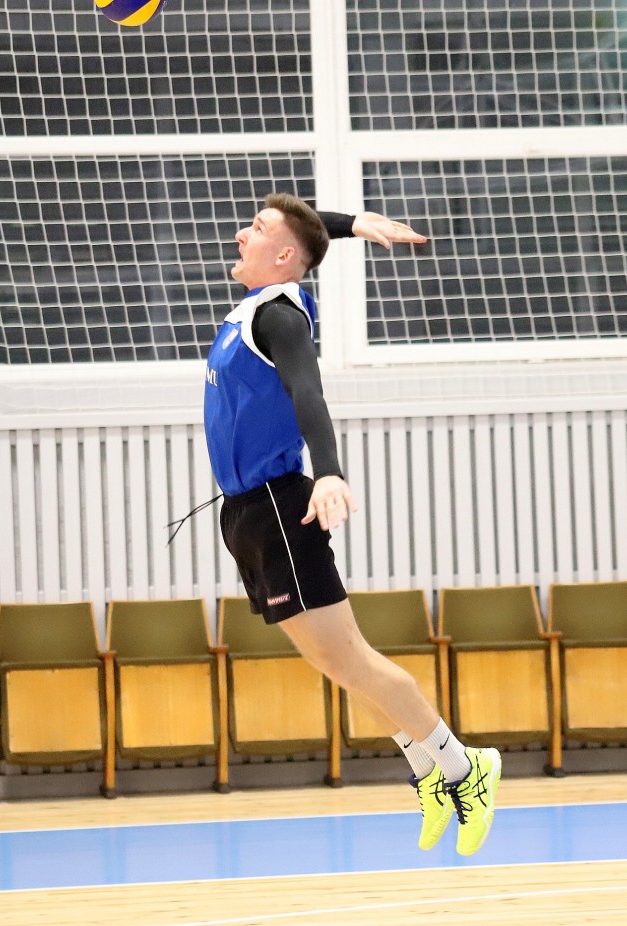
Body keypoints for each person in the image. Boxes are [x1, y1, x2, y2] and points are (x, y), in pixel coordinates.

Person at [202, 192, 501, 856]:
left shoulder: (280, 317)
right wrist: (352, 225)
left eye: (255, 228)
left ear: (284, 256)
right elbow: (300, 223)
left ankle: (464, 767)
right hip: (245, 512)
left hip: (282, 504)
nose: (240, 234)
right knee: (332, 662)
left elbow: (307, 392)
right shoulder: (257, 305)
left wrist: (329, 471)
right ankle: (427, 769)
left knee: (352, 657)